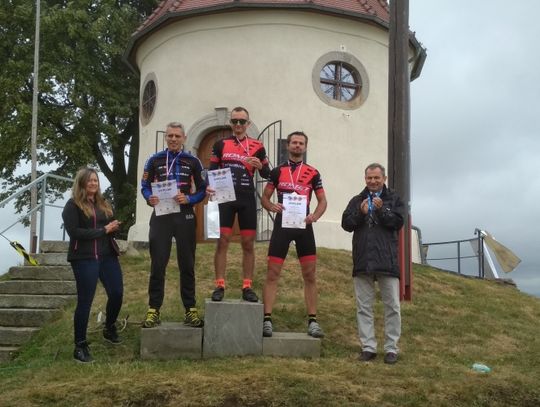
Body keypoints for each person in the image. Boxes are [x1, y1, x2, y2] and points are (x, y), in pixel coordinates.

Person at [261, 131, 327, 338]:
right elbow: (265, 197)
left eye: (301, 143)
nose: (297, 146)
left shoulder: (313, 172)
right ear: (287, 146)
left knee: (309, 275)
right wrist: (272, 206)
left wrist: (314, 216)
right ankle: (267, 320)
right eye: (294, 143)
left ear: (305, 147)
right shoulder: (277, 171)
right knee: (272, 273)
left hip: (304, 227)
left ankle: (313, 321)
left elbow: (323, 201)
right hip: (282, 225)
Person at [141, 122, 206, 328]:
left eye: (177, 136)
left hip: (184, 215)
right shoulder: (154, 159)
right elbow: (144, 185)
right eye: (170, 135)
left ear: (184, 138)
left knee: (187, 264)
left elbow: (203, 188)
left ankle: (190, 310)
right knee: (157, 264)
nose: (173, 139)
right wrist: (149, 197)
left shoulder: (192, 160)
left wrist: (190, 199)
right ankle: (153, 310)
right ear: (166, 137)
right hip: (161, 215)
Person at [341, 163, 404, 364]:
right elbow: (346, 224)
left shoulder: (394, 199)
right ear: (365, 179)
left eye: (377, 178)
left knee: (392, 306)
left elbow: (397, 222)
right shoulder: (357, 200)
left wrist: (382, 210)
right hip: (362, 260)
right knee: (363, 307)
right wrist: (360, 212)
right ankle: (368, 347)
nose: (373, 181)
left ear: (384, 178)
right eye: (369, 178)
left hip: (387, 260)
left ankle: (391, 348)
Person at [208, 107, 270, 302]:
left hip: (246, 198)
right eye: (234, 121)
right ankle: (219, 285)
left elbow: (268, 174)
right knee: (222, 241)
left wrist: (261, 166)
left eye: (242, 121)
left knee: (248, 243)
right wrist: (209, 187)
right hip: (225, 198)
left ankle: (247, 286)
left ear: (248, 124)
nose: (238, 125)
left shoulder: (257, 146)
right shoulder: (220, 144)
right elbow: (211, 171)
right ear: (230, 124)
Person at [62, 167, 124, 363]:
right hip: (84, 258)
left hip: (107, 256)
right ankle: (79, 345)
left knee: (117, 293)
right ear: (81, 183)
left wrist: (113, 228)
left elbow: (109, 229)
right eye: (89, 181)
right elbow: (75, 233)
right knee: (85, 301)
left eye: (95, 181)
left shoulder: (103, 204)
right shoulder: (72, 205)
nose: (93, 184)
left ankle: (109, 327)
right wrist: (103, 230)